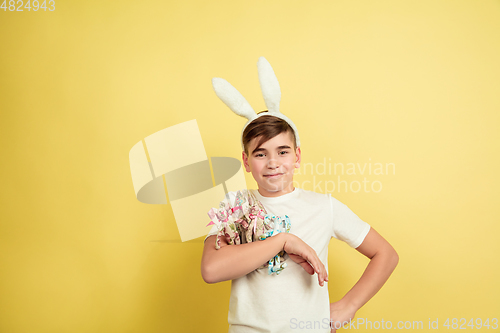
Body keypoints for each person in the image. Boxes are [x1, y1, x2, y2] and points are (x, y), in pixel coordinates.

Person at [201, 58, 398, 333]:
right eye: (260, 154)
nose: (273, 162)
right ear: (246, 162)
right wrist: (283, 241)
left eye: (282, 151)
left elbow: (385, 254)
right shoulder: (234, 206)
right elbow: (211, 270)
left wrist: (349, 305)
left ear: (297, 157)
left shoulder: (323, 207)